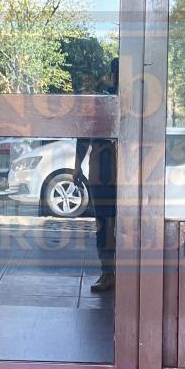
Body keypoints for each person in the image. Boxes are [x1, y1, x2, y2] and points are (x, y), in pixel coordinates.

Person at [75, 58, 118, 293]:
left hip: (130, 172)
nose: (119, 77)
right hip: (103, 169)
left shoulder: (139, 102)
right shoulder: (103, 102)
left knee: (130, 223)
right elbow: (84, 134)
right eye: (117, 72)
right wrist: (77, 166)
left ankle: (129, 273)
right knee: (104, 222)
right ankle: (108, 272)